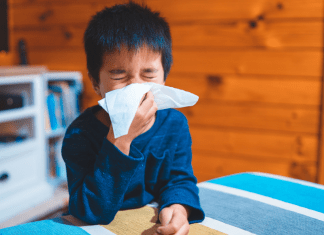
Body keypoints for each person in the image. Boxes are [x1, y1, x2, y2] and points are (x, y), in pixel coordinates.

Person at [61, 1, 205, 234]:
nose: (136, 87)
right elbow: (88, 211)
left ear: (165, 77)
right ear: (96, 82)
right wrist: (121, 139)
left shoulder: (175, 125)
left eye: (148, 74)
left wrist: (178, 207)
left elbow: (179, 180)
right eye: (119, 75)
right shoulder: (80, 134)